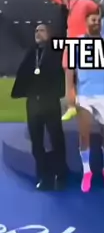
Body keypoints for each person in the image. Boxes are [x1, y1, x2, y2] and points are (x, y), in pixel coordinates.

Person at [25, 0, 98, 121]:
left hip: (83, 44)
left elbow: (99, 11)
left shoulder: (85, 3)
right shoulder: (66, 3)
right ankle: (71, 106)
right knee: (68, 75)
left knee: (85, 76)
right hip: (70, 44)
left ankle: (89, 103)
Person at [11, 23, 67, 190]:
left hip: (50, 102)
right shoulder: (31, 53)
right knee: (36, 142)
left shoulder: (56, 52)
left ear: (49, 34)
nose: (37, 33)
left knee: (56, 140)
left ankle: (60, 174)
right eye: (36, 31)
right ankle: (43, 176)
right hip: (33, 103)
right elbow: (23, 74)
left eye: (41, 30)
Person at [75, 11, 104, 193]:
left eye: (98, 20)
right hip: (84, 94)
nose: (96, 22)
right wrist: (70, 92)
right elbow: (70, 69)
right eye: (93, 20)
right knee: (84, 134)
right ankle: (87, 171)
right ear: (86, 22)